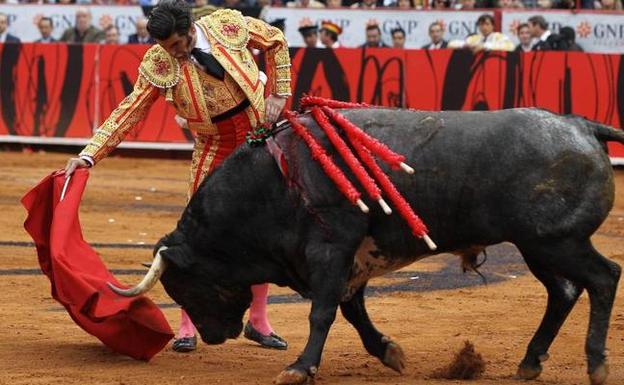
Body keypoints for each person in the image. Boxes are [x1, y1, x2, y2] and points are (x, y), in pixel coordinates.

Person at [64, 0, 291, 354]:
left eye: (178, 45)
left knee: (259, 229)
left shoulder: (226, 25)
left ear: (188, 30)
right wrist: (89, 154)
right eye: (167, 48)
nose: (176, 53)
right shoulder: (158, 63)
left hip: (257, 140)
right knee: (194, 237)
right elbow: (130, 110)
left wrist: (278, 92)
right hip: (213, 145)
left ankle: (259, 321)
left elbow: (275, 39)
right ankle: (187, 324)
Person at [449, 14, 514, 52]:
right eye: (481, 25)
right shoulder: (474, 38)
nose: (484, 27)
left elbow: (511, 47)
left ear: (493, 26)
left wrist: (484, 46)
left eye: (487, 24)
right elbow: (451, 44)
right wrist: (465, 45)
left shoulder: (500, 37)